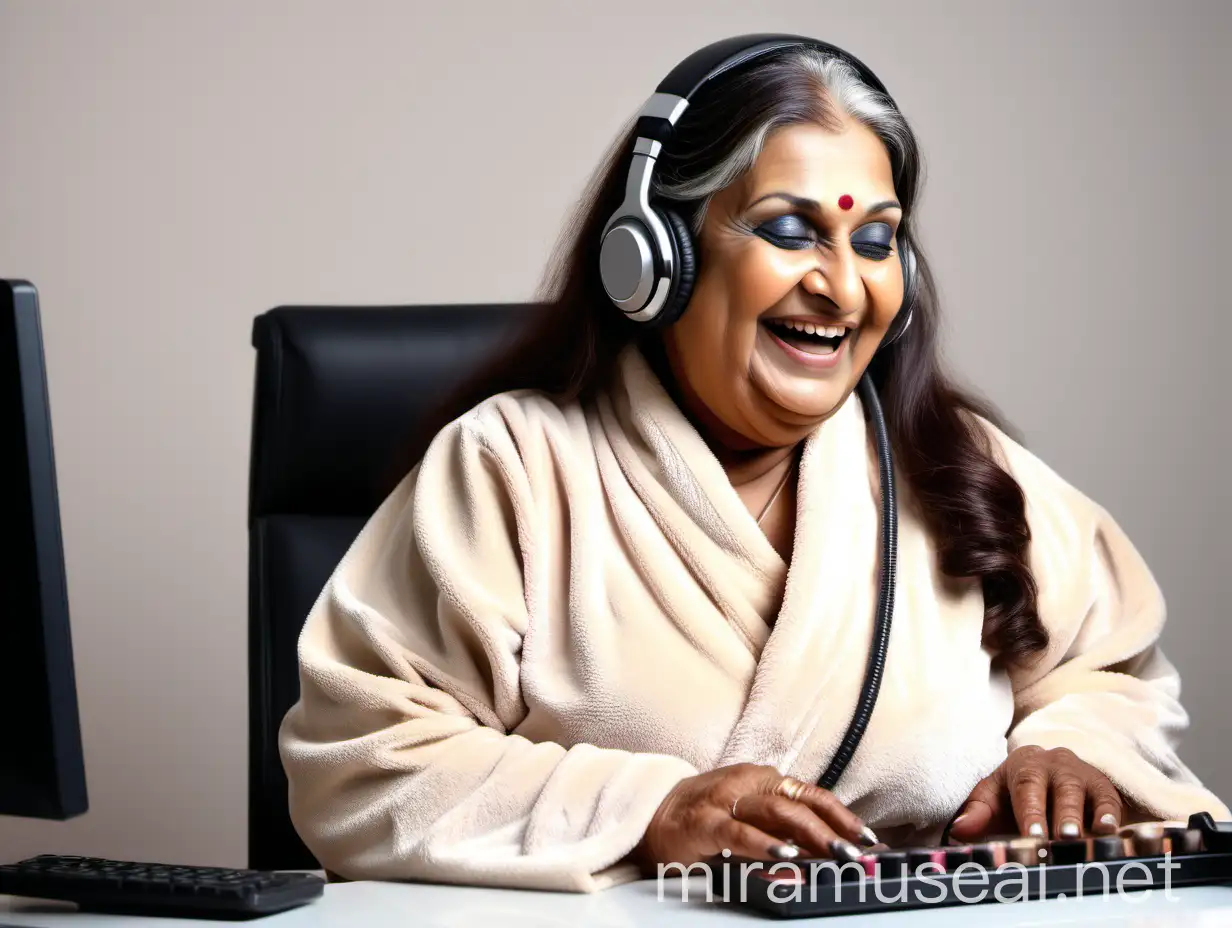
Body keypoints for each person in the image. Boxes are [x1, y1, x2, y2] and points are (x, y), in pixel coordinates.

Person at [277, 36, 1228, 892]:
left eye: (876, 240)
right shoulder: (512, 467)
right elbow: (364, 759)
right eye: (789, 229)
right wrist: (648, 812)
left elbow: (1110, 672)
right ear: (655, 257)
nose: (844, 286)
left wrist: (1069, 748)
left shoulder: (959, 468)